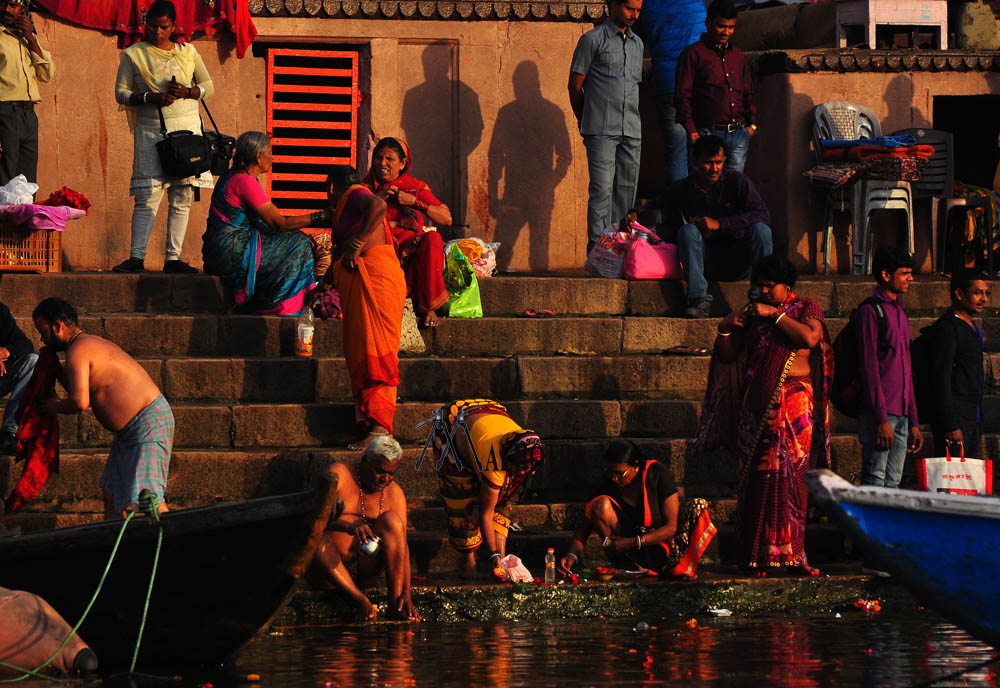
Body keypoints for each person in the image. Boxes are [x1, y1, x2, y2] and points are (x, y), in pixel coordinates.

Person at [690, 255, 832, 575]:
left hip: (795, 408)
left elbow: (810, 338)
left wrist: (775, 316)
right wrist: (724, 328)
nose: (765, 291)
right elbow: (729, 355)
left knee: (793, 481)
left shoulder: (807, 308)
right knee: (759, 480)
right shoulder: (753, 315)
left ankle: (794, 557)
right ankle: (755, 556)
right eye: (761, 286)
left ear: (787, 286)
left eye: (771, 286)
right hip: (757, 409)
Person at [32, 298, 173, 519]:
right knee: (112, 494)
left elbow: (80, 402)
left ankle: (168, 546)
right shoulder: (84, 345)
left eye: (43, 331)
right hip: (130, 431)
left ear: (58, 326)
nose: (42, 338)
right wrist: (56, 372)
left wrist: (55, 406)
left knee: (149, 497)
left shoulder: (79, 350)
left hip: (147, 422)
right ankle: (112, 546)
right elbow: (85, 389)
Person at [112, 0, 214, 274]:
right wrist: (149, 97)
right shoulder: (133, 55)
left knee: (181, 195)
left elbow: (208, 86)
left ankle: (173, 258)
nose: (157, 32)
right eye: (152, 26)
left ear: (173, 27)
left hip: (187, 131)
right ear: (146, 25)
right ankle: (136, 257)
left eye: (163, 27)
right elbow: (120, 93)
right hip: (150, 132)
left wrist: (187, 92)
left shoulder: (188, 52)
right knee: (148, 196)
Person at [317, 165, 405, 450]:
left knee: (376, 354)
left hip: (377, 281)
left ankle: (380, 429)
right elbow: (342, 252)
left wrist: (357, 244)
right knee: (361, 351)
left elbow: (379, 205)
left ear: (331, 187)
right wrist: (325, 283)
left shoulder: (356, 194)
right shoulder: (347, 207)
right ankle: (368, 424)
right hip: (363, 283)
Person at [557, 440, 716, 579]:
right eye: (610, 472)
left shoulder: (658, 474)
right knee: (600, 505)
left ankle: (678, 568)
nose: (614, 478)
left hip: (663, 545)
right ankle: (628, 567)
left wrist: (633, 542)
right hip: (627, 550)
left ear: (636, 466)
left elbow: (671, 528)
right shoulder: (611, 483)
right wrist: (571, 554)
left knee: (698, 505)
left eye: (620, 473)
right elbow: (585, 525)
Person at [201, 131, 321, 315]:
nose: (272, 157)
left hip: (218, 250)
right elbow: (280, 224)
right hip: (230, 253)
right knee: (299, 243)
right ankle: (281, 306)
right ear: (258, 156)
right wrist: (321, 216)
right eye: (269, 152)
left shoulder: (231, 176)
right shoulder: (244, 182)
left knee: (292, 238)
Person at [308, 435, 419, 622]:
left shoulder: (395, 494)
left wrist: (406, 593)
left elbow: (402, 547)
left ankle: (394, 605)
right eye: (380, 471)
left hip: (365, 570)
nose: (386, 479)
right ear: (365, 461)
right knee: (314, 534)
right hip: (328, 572)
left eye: (391, 473)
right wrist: (349, 526)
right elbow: (311, 517)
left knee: (393, 521)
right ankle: (360, 600)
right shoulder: (340, 475)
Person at [433, 399, 544, 579]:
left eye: (528, 468)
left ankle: (501, 563)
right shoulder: (495, 463)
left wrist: (500, 557)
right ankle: (469, 563)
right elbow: (486, 513)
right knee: (463, 499)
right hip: (453, 427)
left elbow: (502, 500)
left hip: (489, 414)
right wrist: (493, 553)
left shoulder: (524, 449)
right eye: (520, 467)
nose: (524, 472)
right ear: (508, 459)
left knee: (503, 494)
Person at [568, 0, 644, 255]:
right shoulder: (592, 40)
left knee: (626, 191)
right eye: (629, 8)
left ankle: (620, 250)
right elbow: (575, 86)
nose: (634, 14)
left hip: (631, 128)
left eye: (638, 10)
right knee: (601, 190)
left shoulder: (638, 44)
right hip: (600, 128)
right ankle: (598, 251)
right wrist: (584, 118)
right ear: (613, 5)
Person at [669, 135, 772, 318]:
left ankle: (761, 300)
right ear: (695, 162)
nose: (714, 168)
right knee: (688, 231)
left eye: (718, 162)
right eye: (708, 163)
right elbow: (657, 202)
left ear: (724, 161)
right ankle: (699, 301)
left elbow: (763, 214)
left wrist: (720, 224)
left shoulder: (738, 181)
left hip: (739, 260)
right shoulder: (685, 187)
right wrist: (635, 213)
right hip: (706, 262)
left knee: (761, 230)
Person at [361, 137, 451, 328]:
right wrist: (376, 200)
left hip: (410, 260)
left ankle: (428, 306)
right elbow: (352, 221)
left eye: (389, 159)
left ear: (402, 164)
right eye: (378, 158)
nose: (382, 164)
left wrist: (415, 202)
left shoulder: (414, 187)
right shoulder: (365, 188)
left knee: (433, 238)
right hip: (380, 257)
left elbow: (446, 218)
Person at [857, 247, 924, 488]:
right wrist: (881, 419)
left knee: (893, 483)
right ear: (886, 275)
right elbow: (869, 369)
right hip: (880, 413)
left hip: (902, 411)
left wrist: (914, 421)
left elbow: (907, 368)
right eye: (904, 273)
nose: (910, 278)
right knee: (874, 481)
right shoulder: (870, 312)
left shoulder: (900, 311)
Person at [675, 0, 756, 172]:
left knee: (733, 187)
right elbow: (683, 95)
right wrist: (693, 133)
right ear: (708, 22)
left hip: (739, 134)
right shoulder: (693, 54)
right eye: (721, 26)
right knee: (703, 189)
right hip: (706, 134)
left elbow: (748, 92)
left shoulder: (738, 56)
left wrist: (752, 127)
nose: (726, 32)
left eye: (731, 27)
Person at [635, 0, 705, 184]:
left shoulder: (647, 6)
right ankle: (700, 207)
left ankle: (681, 210)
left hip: (667, 83)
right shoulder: (695, 4)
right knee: (702, 151)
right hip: (698, 84)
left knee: (676, 154)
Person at [925, 269, 989, 458]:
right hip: (956, 417)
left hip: (973, 415)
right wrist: (950, 424)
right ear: (959, 294)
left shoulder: (972, 328)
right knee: (951, 481)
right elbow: (941, 377)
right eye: (977, 293)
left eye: (986, 293)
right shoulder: (948, 328)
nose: (984, 299)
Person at [0, 0, 53, 186]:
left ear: (22, 10)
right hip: (5, 112)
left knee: (27, 182)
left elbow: (47, 74)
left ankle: (26, 215)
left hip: (29, 115)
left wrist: (30, 38)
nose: (7, 9)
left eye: (13, 5)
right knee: (5, 177)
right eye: (3, 3)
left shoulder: (28, 39)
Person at [0, 299, 37, 454]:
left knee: (33, 361)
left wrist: (6, 351)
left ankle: (10, 432)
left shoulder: (1, 312)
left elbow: (26, 345)